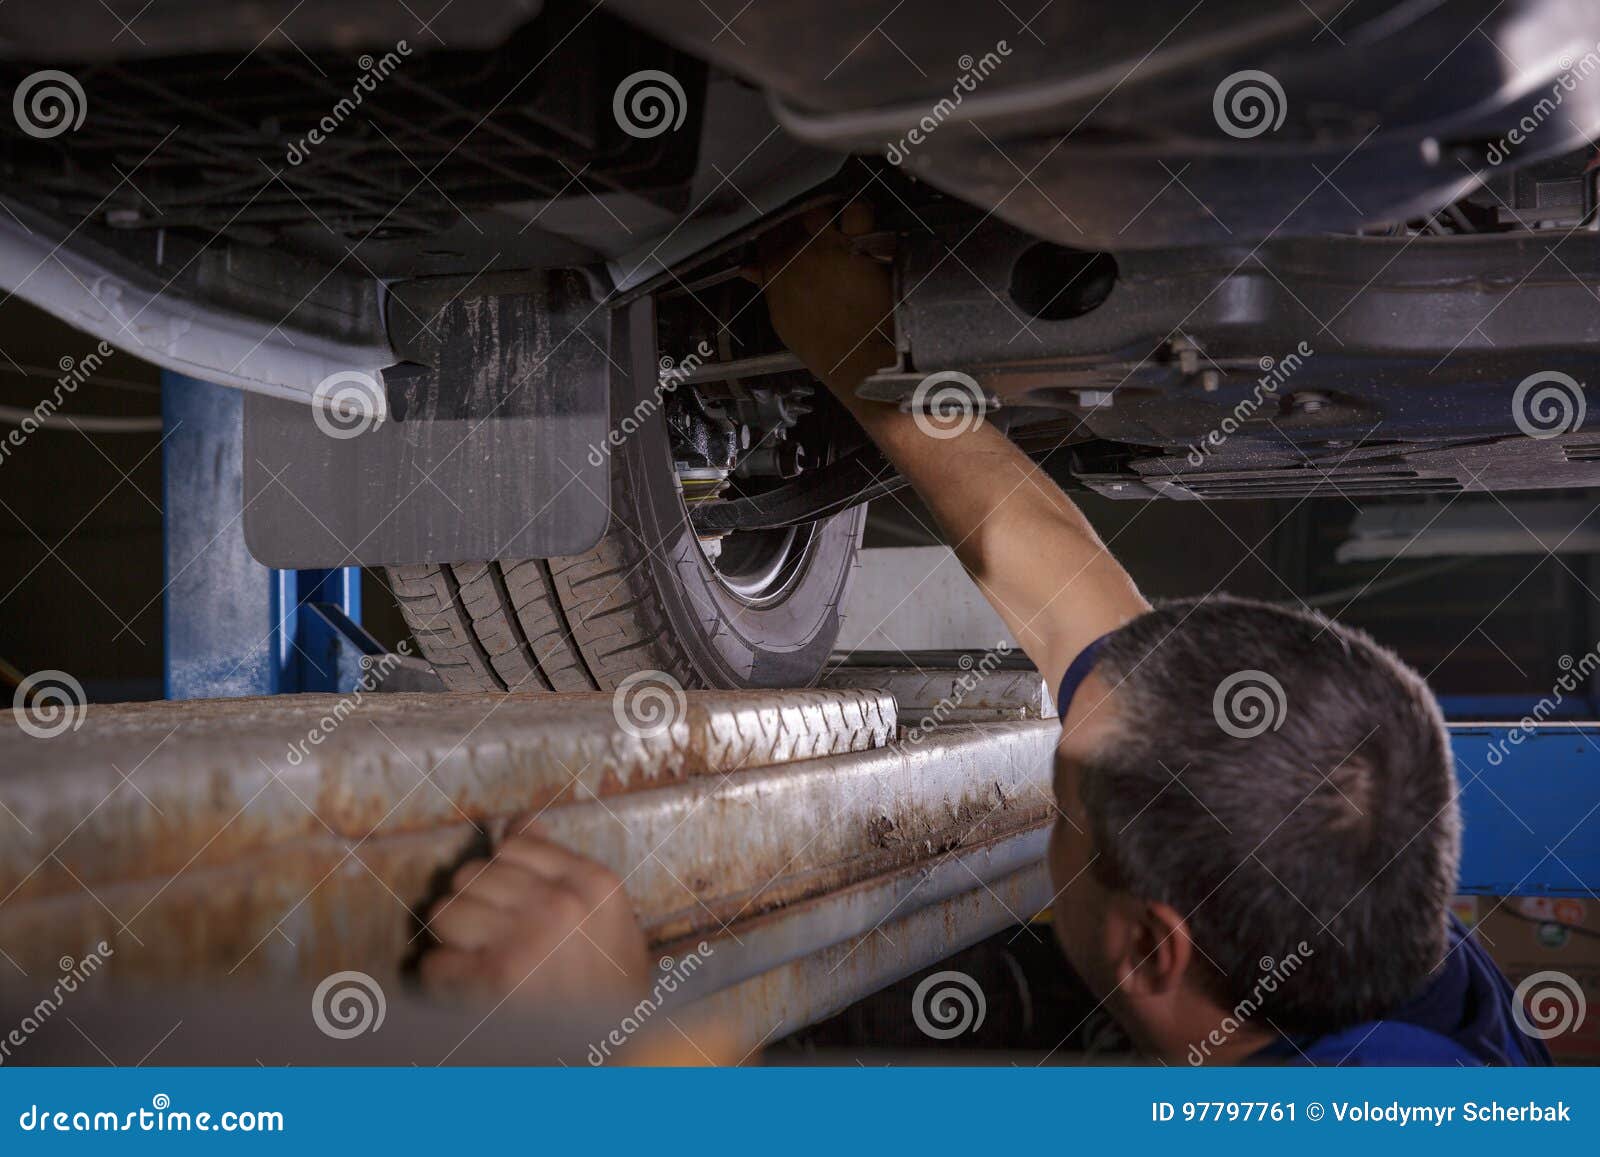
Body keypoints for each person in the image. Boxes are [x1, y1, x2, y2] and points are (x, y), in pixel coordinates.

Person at [419, 207, 1547, 1067]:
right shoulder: (1403, 987)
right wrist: (865, 354)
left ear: (1157, 947)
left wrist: (602, 1049)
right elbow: (1077, 609)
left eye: (1059, 799)